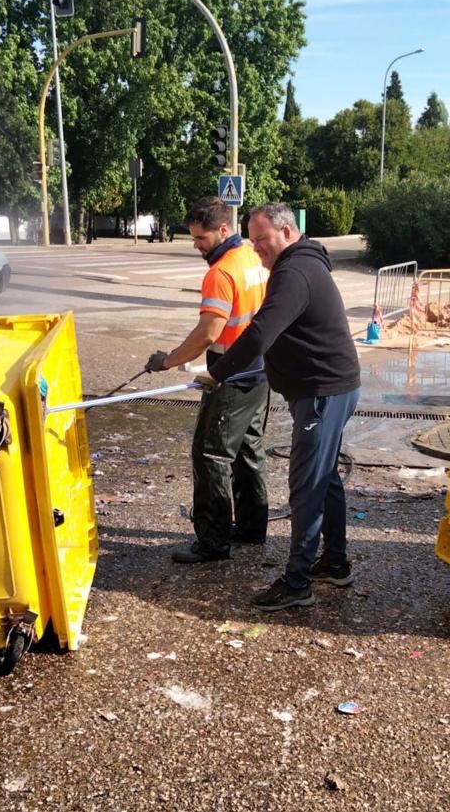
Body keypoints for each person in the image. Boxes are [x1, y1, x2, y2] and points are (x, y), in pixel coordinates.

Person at [198, 203, 361, 611]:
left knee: (307, 487)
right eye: (252, 241)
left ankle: (297, 582)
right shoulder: (299, 265)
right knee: (325, 480)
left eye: (263, 240)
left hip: (323, 392)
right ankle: (336, 564)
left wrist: (219, 372)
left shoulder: (295, 272)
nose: (257, 249)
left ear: (287, 233)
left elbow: (259, 334)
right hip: (328, 388)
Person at [145, 196, 270, 563]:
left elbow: (208, 333)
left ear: (222, 230)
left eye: (201, 239)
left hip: (230, 375)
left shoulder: (220, 273)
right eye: (193, 239)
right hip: (261, 372)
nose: (196, 246)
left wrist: (167, 361)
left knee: (210, 454)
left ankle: (213, 542)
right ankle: (251, 527)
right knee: (248, 450)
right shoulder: (252, 258)